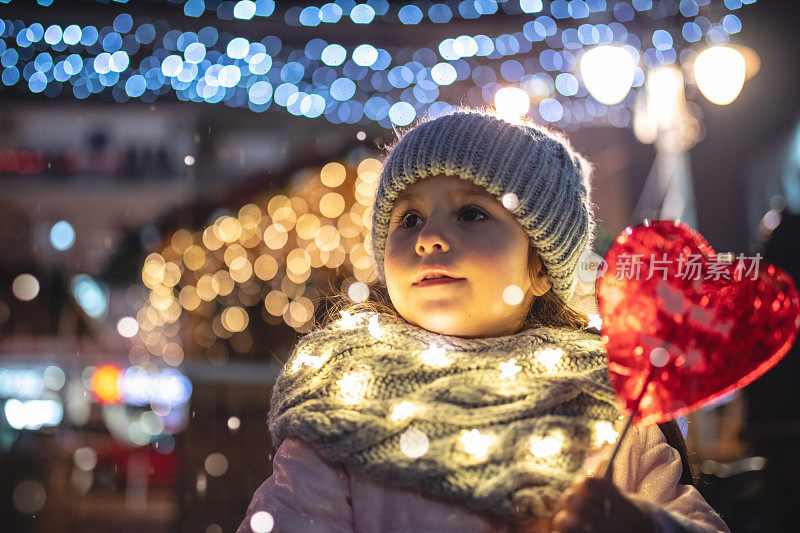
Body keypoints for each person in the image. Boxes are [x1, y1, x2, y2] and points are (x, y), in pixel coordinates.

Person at [237, 108, 730, 532]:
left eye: (471, 214)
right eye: (407, 219)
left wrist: (641, 525)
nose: (428, 237)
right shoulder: (343, 397)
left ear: (539, 266)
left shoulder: (603, 401)